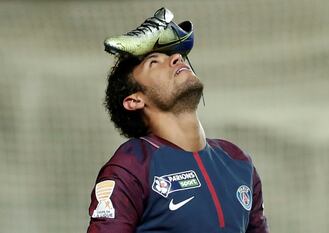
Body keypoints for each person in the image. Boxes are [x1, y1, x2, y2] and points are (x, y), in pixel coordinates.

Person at [87, 7, 269, 233]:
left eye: (174, 55)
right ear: (134, 100)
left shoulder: (239, 162)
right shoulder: (130, 166)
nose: (175, 58)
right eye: (154, 62)